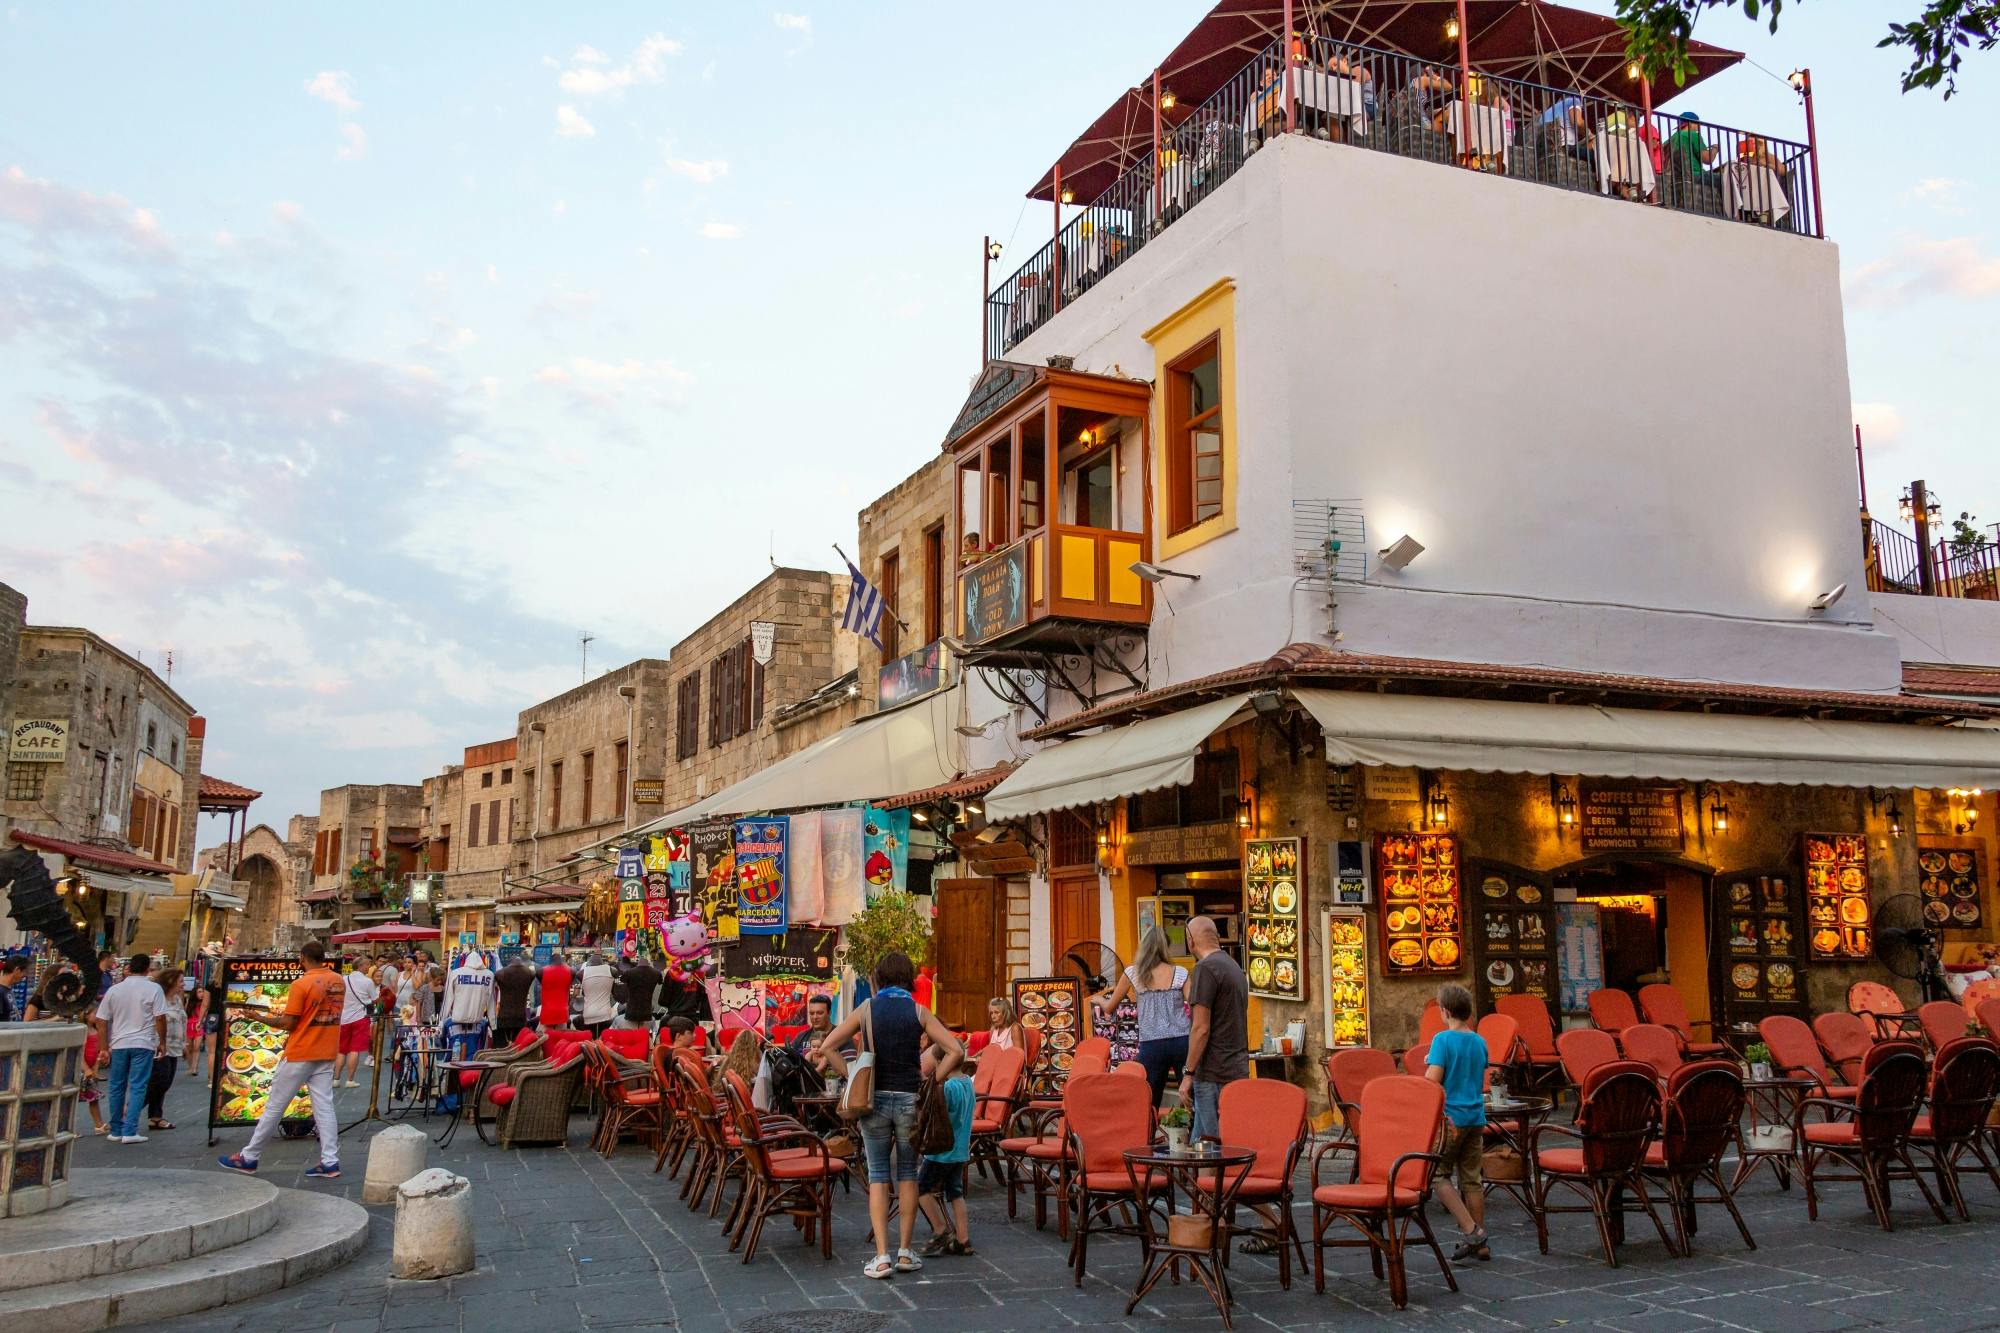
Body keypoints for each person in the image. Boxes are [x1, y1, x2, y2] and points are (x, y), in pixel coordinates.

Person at [817, 950, 964, 1281]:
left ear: (879, 977)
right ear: (908, 977)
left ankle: (881, 1257)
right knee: (909, 1174)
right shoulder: (918, 1011)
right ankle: (905, 1252)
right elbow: (957, 1050)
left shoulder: (866, 1009)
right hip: (911, 1098)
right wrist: (933, 1080)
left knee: (879, 1174)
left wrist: (852, 1074)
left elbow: (828, 1046)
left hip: (874, 1101)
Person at [217, 940, 345, 1179]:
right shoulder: (338, 980)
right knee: (324, 1107)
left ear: (303, 958)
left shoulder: (301, 983)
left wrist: (259, 1017)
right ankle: (330, 1161)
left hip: (301, 1051)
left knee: (275, 1106)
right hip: (326, 1050)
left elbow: (289, 1023)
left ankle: (250, 1156)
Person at [1425, 982, 1491, 1261]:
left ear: (1445, 1011)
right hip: (1476, 1116)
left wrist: (1429, 1063)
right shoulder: (1479, 1040)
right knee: (1472, 1179)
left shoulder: (1443, 1040)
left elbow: (1433, 1081)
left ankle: (1471, 1230)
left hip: (1451, 1119)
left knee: (1437, 1174)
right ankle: (1481, 1244)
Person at [1093, 926, 1190, 1107]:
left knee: (1149, 1100)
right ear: (1166, 947)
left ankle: (1149, 1134)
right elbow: (1194, 1004)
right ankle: (1192, 1133)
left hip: (1152, 1044)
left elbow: (1110, 1007)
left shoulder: (1133, 973)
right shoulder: (1180, 973)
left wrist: (1099, 999)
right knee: (1190, 1095)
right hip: (1182, 1041)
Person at [1178, 916, 1247, 1144]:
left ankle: (1214, 1180)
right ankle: (1197, 1181)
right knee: (1201, 1141)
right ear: (1216, 937)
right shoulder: (1233, 967)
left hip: (1212, 1072)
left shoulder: (1205, 969)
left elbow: (1201, 1028)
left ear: (1191, 941)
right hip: (1235, 1067)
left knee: (1210, 1144)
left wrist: (1188, 1073)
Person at [93, 952, 166, 1144]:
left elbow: (100, 1020)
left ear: (129, 968)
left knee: (116, 1086)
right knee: (138, 1086)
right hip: (143, 1042)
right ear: (147, 969)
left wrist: (103, 1047)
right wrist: (162, 1041)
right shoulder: (154, 989)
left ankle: (116, 1128)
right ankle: (130, 1130)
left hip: (119, 1042)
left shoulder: (115, 990)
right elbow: (160, 1017)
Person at [915, 1042, 976, 1257]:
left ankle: (940, 1228)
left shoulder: (948, 1087)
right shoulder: (967, 1082)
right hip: (960, 1150)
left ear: (941, 1062)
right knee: (955, 1193)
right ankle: (963, 1239)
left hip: (941, 1151)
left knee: (920, 1189)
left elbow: (938, 1113)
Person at [146, 967, 189, 1131]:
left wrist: (184, 1044)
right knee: (159, 1080)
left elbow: (182, 1021)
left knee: (166, 1082)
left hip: (175, 1045)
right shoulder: (158, 999)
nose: (183, 985)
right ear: (170, 982)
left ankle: (156, 1116)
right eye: (180, 981)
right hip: (159, 1044)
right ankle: (131, 1109)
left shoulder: (177, 1000)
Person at [335, 958, 379, 1088]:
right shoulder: (367, 982)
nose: (369, 967)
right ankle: (349, 1080)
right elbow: (375, 999)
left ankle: (336, 1079)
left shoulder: (344, 979)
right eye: (367, 965)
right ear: (361, 966)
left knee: (341, 1050)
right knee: (354, 1049)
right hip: (360, 1017)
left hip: (344, 1018)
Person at [493, 954, 537, 1045]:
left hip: (504, 1016)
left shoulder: (500, 973)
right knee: (518, 1045)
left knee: (504, 1045)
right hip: (521, 1016)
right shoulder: (530, 973)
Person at [615, 953, 663, 1033]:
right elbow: (660, 982)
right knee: (643, 1036)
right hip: (647, 1011)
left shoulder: (629, 972)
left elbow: (622, 980)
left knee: (632, 1037)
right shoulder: (656, 973)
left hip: (631, 1011)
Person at [1665, 110, 1717, 175]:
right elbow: (1707, 159)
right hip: (1694, 174)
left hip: (1673, 176)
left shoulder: (1669, 140)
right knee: (1725, 178)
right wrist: (1715, 148)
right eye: (1697, 123)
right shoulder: (1693, 135)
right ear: (1691, 123)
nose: (1699, 125)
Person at [787, 994, 836, 1061]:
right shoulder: (801, 1037)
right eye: (812, 1013)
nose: (815, 1017)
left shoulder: (841, 1036)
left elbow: (850, 1067)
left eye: (820, 1013)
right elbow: (789, 1060)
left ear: (829, 1013)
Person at [579, 952, 616, 1036]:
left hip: (589, 1013)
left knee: (591, 1041)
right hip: (605, 1013)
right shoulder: (611, 970)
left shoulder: (581, 973)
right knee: (602, 1041)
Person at [537, 953, 573, 1030]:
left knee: (547, 1039)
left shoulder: (541, 971)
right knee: (560, 1039)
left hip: (547, 1012)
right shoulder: (571, 971)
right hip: (562, 1012)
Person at [0, 955, 25, 1022]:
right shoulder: (1, 991)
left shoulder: (7, 989)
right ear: (17, 970)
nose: (25, 975)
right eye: (24, 972)